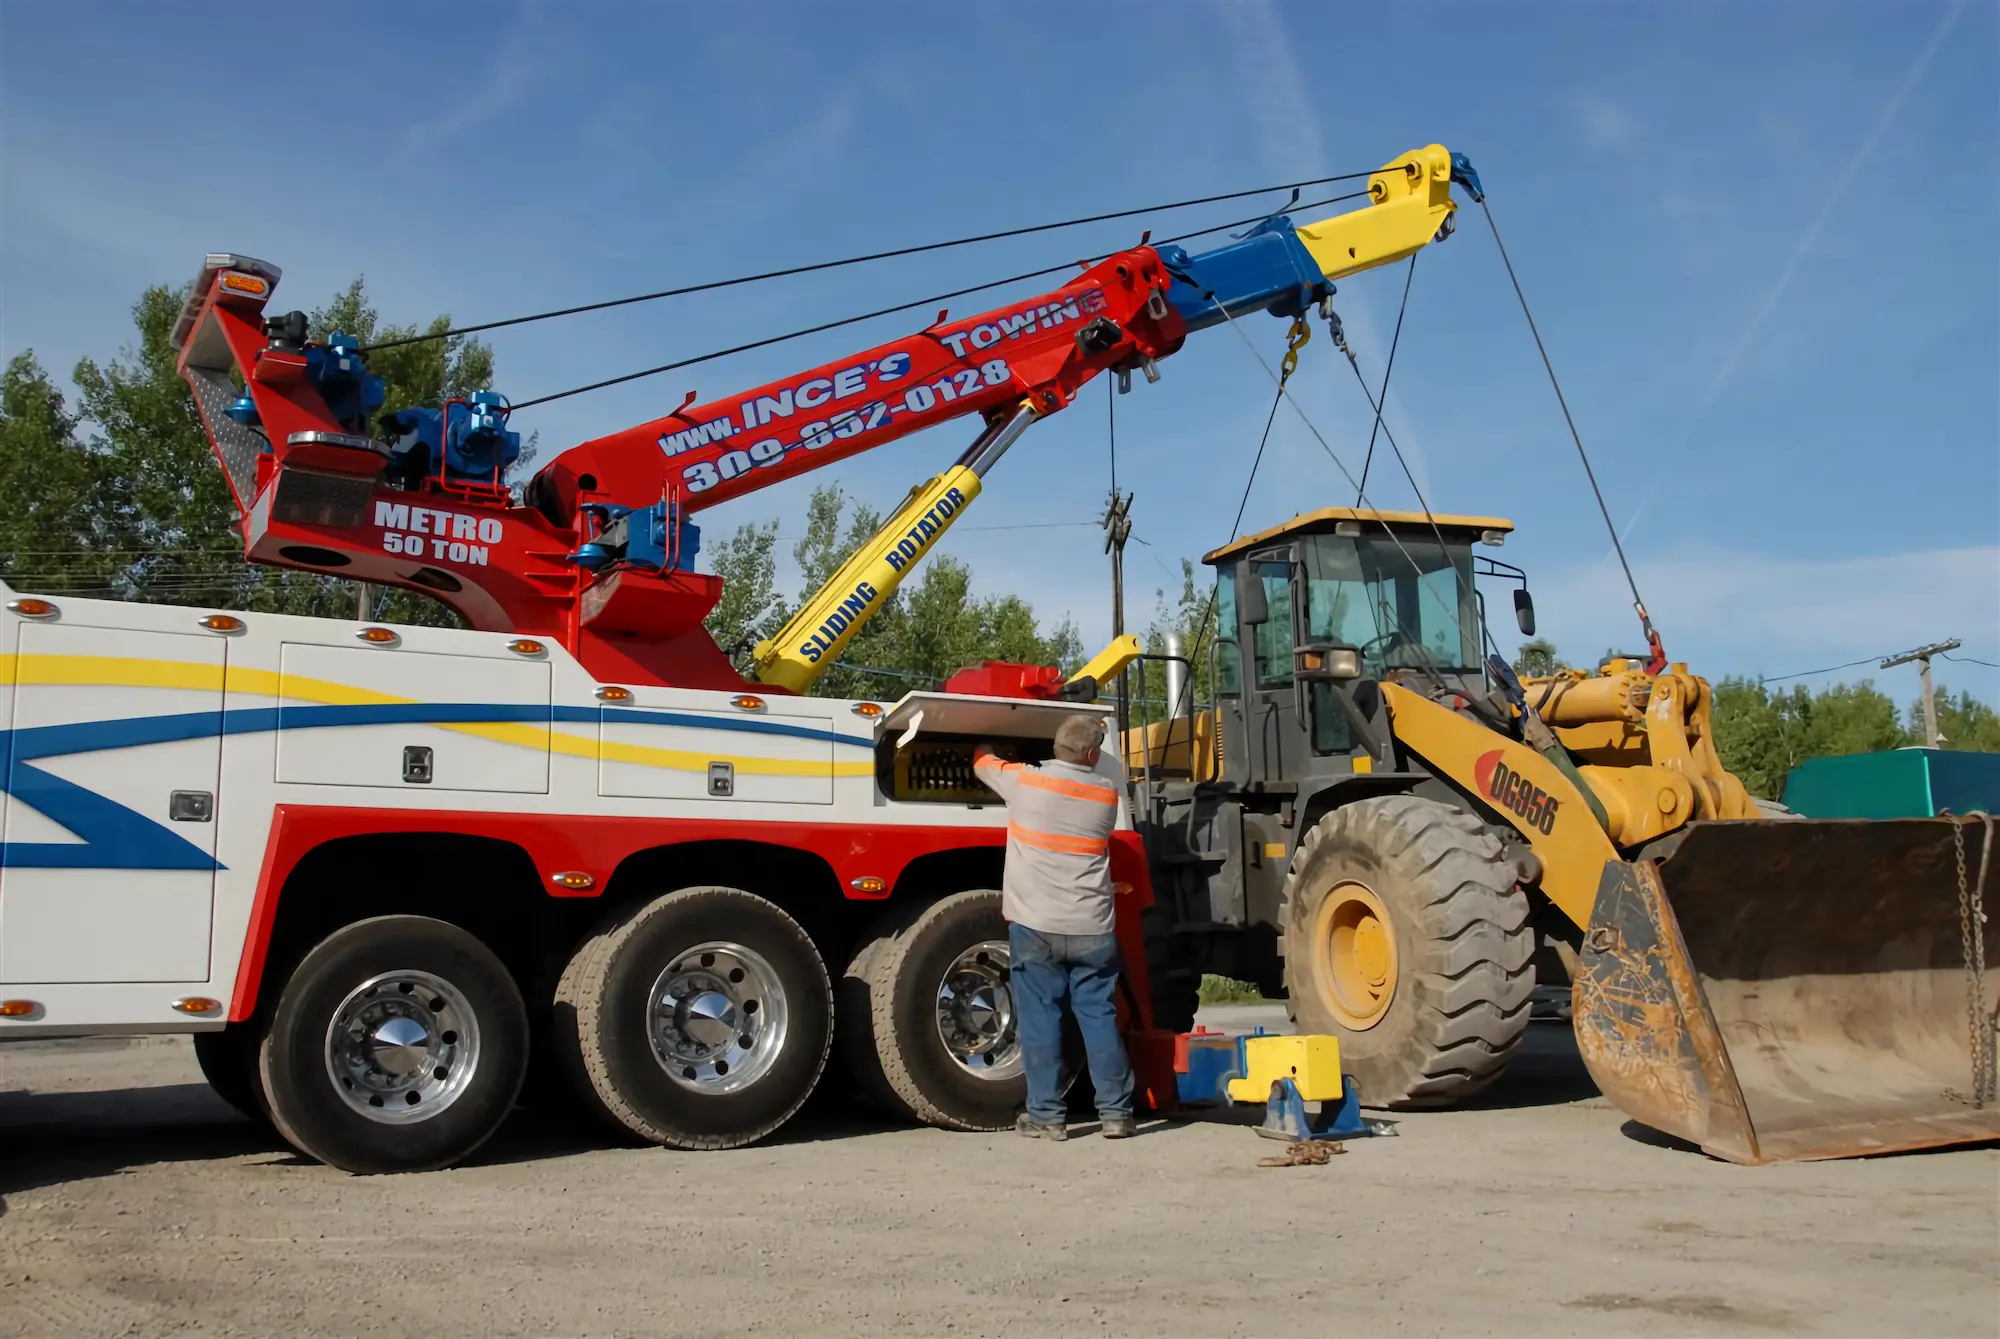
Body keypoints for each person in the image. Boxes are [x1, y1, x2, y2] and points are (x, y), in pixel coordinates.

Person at [972, 714, 1135, 1141]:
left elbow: (982, 762)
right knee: (1099, 1017)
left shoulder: (1025, 782)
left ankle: (1046, 1116)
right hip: (1092, 926)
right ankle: (1116, 1114)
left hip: (1036, 926)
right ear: (1093, 754)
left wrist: (986, 744)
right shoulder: (1106, 794)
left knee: (1040, 1019)